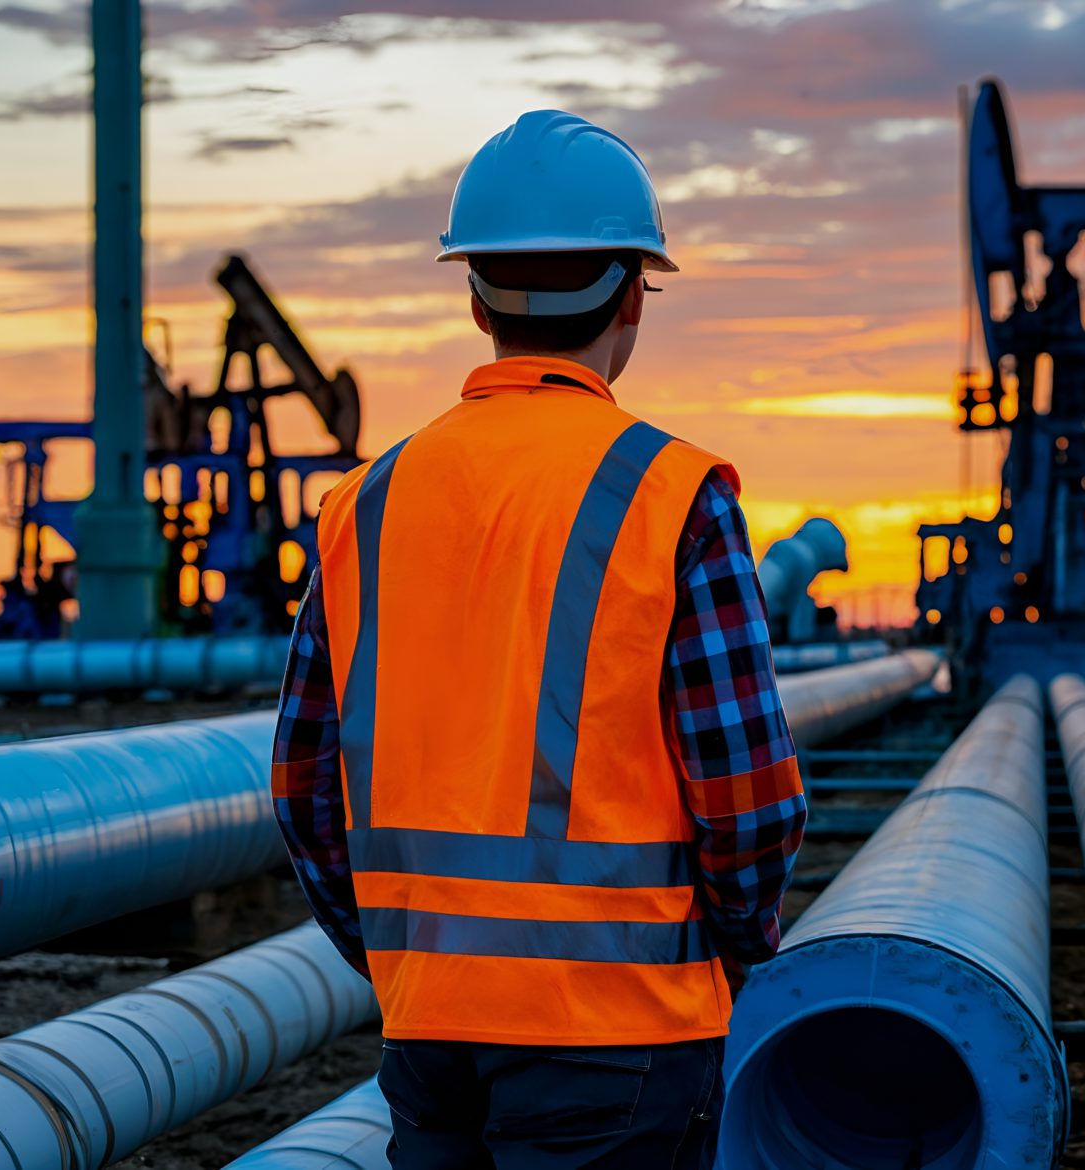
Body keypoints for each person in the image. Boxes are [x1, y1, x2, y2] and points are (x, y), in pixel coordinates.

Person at [271, 110, 805, 1170]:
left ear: (474, 300)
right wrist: (739, 954)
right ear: (627, 299)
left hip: (429, 1033)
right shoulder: (670, 494)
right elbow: (746, 792)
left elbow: (304, 790)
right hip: (625, 1036)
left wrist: (407, 964)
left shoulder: (366, 503)